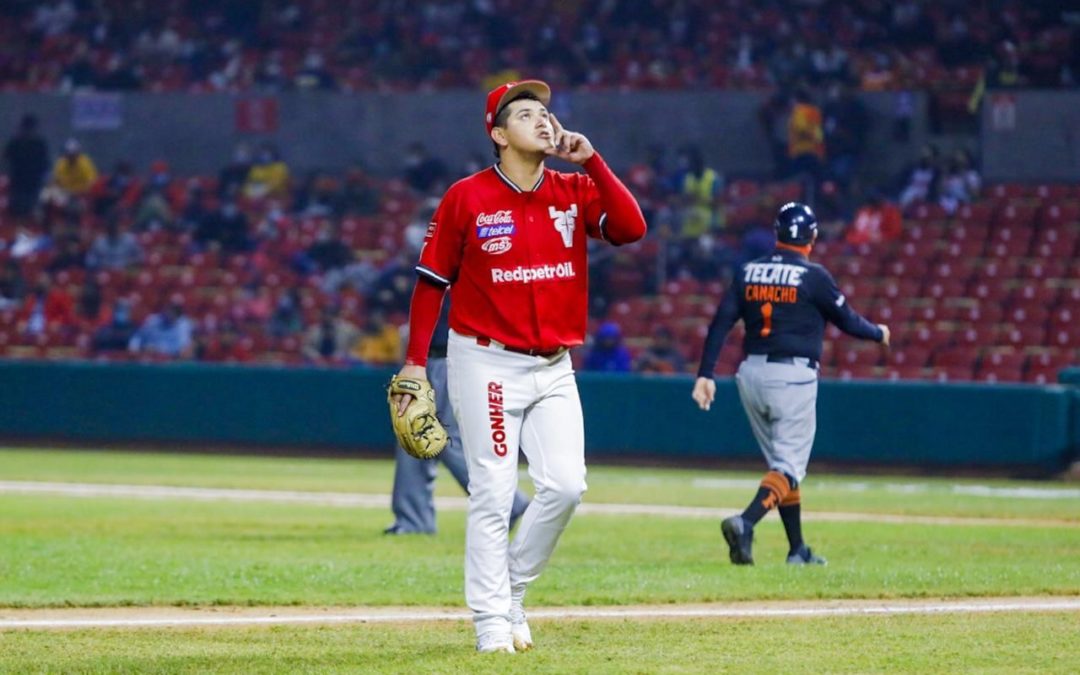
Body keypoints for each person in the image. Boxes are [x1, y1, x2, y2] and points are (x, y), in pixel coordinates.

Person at [390, 79, 646, 653]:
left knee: (567, 486)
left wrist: (594, 160)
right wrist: (412, 365)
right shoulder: (467, 197)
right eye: (526, 113)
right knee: (493, 490)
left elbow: (631, 229)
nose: (542, 119)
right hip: (486, 362)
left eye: (546, 112)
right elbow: (431, 283)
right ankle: (489, 624)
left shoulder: (572, 189)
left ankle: (512, 593)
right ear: (499, 134)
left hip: (554, 365)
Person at [692, 202, 889, 567]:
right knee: (788, 466)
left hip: (750, 374)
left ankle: (797, 549)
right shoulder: (813, 276)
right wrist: (879, 333)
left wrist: (705, 373)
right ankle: (745, 522)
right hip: (792, 375)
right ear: (812, 237)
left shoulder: (748, 270)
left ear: (777, 232)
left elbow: (720, 322)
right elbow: (847, 320)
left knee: (781, 466)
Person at [385, 301, 530, 535]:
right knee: (412, 433)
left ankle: (508, 501)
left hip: (453, 358)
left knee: (444, 439)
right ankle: (414, 521)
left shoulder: (466, 269)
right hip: (429, 359)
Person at [3, 114, 50, 219]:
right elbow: (6, 158)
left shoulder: (38, 143)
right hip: (19, 182)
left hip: (30, 182)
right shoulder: (16, 142)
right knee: (18, 209)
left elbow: (45, 163)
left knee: (30, 209)